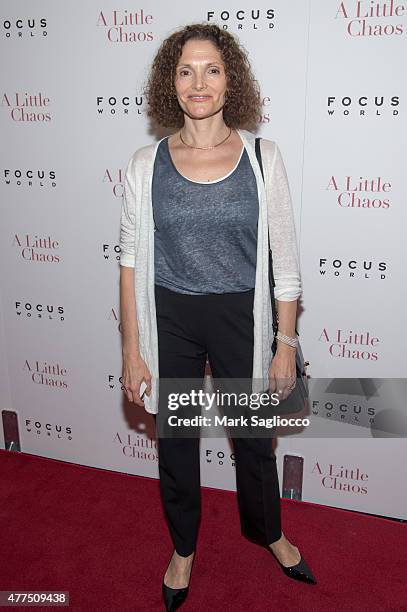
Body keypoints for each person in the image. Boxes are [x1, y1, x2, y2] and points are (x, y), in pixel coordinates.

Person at [119, 22, 317, 611]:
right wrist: (132, 349)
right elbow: (129, 262)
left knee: (254, 440)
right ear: (170, 84)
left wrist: (285, 342)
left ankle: (270, 533)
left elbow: (286, 256)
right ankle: (183, 550)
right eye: (185, 70)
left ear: (231, 80)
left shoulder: (262, 156)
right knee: (176, 440)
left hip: (243, 314)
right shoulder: (143, 163)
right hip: (171, 315)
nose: (198, 81)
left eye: (211, 69)